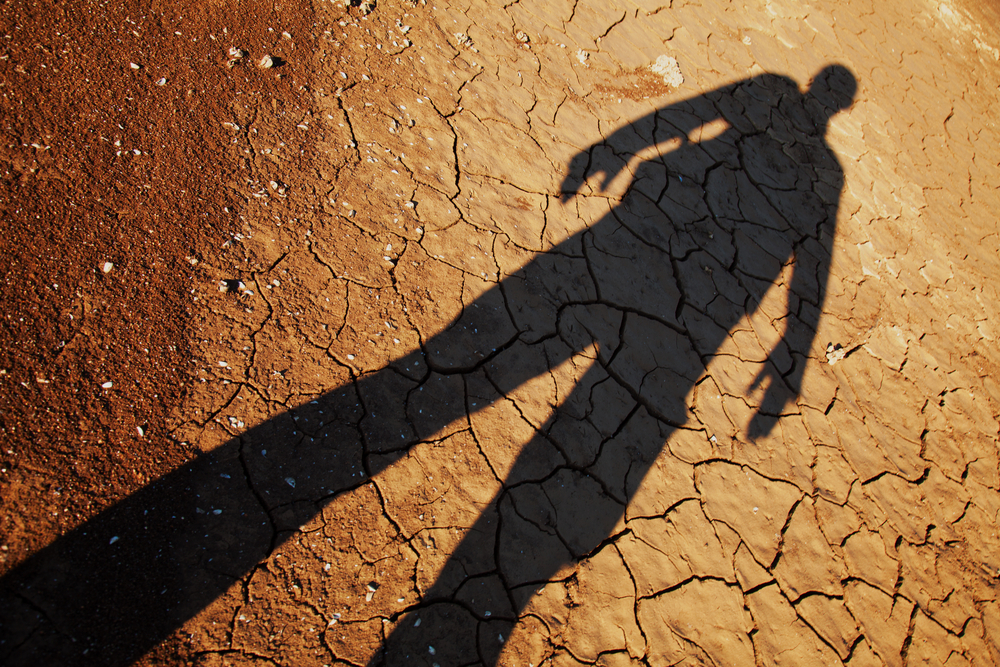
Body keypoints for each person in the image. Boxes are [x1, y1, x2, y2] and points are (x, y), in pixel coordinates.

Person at [0, 65, 856, 667]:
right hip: (639, 276)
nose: (814, 100)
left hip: (659, 295)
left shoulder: (821, 166)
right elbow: (702, 119)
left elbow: (809, 254)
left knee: (483, 401)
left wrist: (791, 349)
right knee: (464, 380)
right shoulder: (779, 112)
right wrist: (620, 146)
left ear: (827, 103)